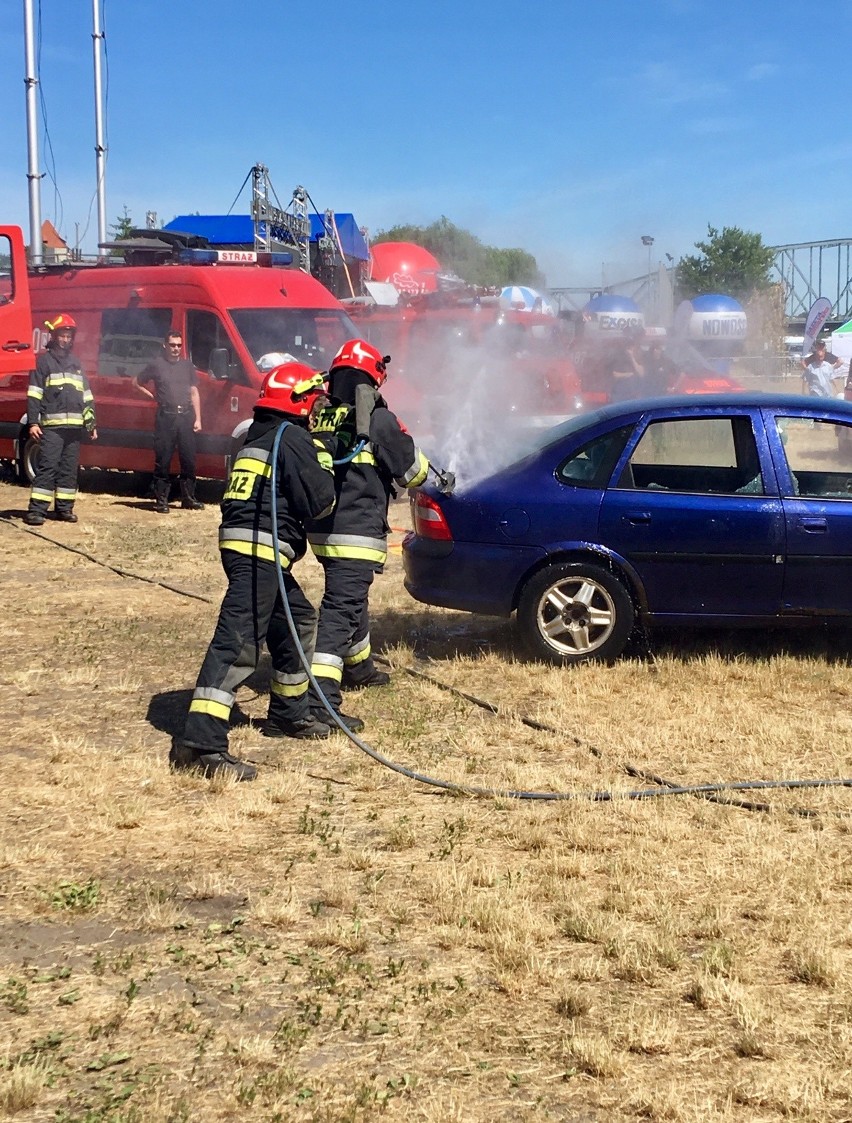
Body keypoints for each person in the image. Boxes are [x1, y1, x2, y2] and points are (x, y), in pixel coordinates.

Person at [170, 362, 336, 782]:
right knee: (238, 639)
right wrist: (324, 454)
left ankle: (289, 713)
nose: (317, 405)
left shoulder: (255, 434)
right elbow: (320, 503)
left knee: (297, 619)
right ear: (297, 400)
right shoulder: (295, 438)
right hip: (259, 550)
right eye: (313, 398)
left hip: (243, 545)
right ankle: (201, 744)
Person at [306, 339, 430, 732]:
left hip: (323, 530)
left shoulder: (324, 415)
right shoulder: (378, 418)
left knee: (350, 598)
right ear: (375, 376)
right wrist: (404, 439)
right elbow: (413, 474)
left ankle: (360, 669)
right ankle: (321, 700)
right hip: (355, 532)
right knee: (340, 609)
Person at [24, 313, 97, 527]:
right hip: (52, 428)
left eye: (69, 336)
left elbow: (87, 396)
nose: (66, 340)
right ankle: (36, 511)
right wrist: (33, 422)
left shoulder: (76, 363)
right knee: (48, 467)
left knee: (69, 469)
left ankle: (64, 509)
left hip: (74, 428)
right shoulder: (44, 362)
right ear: (54, 336)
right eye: (62, 336)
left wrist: (91, 423)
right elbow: (34, 394)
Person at [133, 330, 204, 513]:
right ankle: (161, 500)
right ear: (165, 345)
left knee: (188, 459)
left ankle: (188, 498)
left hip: (186, 416)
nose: (176, 349)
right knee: (163, 459)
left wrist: (198, 419)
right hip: (166, 417)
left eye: (179, 345)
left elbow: (194, 392)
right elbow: (136, 382)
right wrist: (153, 396)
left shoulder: (187, 366)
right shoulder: (157, 364)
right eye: (172, 345)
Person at [605, 326, 646, 401]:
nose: (632, 347)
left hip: (634, 395)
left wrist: (632, 358)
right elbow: (614, 374)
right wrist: (628, 375)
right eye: (630, 345)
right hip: (620, 394)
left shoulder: (639, 355)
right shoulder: (619, 355)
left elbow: (642, 373)